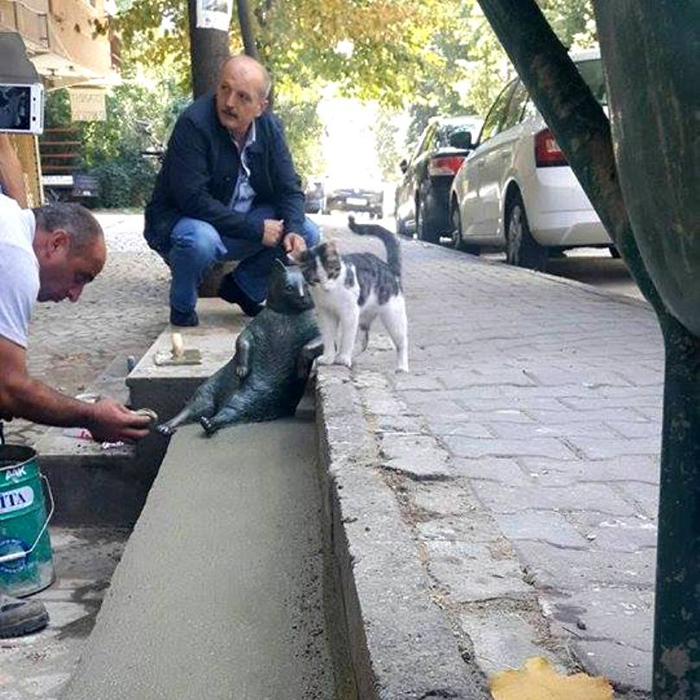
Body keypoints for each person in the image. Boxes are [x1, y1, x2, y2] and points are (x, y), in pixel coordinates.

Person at [0, 139, 151, 637]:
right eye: (80, 278)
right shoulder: (14, 258)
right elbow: (10, 390)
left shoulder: (9, 225)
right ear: (57, 243)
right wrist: (90, 415)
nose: (73, 296)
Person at [144, 54, 320, 327]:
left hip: (241, 225)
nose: (228, 103)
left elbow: (289, 188)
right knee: (199, 240)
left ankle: (243, 288)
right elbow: (192, 199)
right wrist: (254, 229)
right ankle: (182, 310)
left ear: (261, 107)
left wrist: (294, 229)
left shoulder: (270, 129)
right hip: (189, 225)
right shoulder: (194, 124)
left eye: (243, 97)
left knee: (308, 231)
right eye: (224, 89)